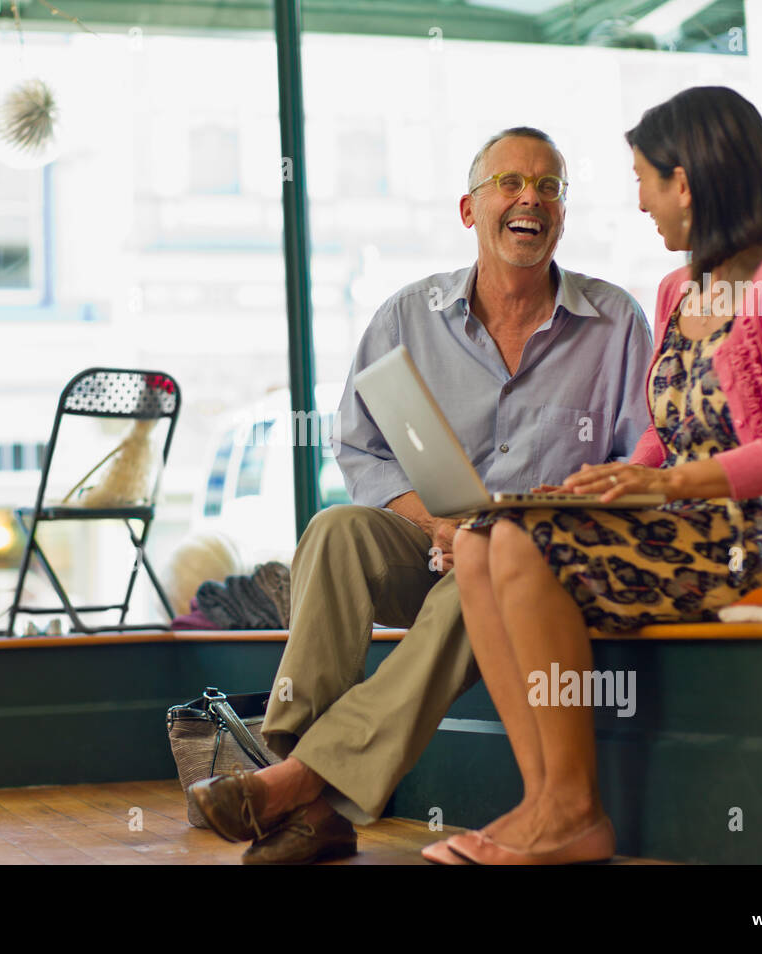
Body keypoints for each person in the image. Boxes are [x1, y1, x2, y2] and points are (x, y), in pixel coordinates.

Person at [190, 126, 655, 864]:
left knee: (486, 562)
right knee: (336, 531)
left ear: (561, 213)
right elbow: (360, 448)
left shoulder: (617, 324)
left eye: (549, 187)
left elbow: (644, 462)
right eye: (510, 182)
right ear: (470, 211)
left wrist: (519, 525)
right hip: (429, 539)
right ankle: (306, 788)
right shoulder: (407, 317)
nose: (530, 197)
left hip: (539, 566)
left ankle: (294, 791)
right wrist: (433, 524)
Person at [423, 86, 762, 864]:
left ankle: (576, 811)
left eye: (646, 179)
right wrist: (611, 478)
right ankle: (542, 798)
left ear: (685, 182)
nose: (642, 201)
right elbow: (664, 430)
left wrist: (670, 486)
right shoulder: (677, 288)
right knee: (487, 538)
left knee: (520, 546)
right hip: (684, 523)